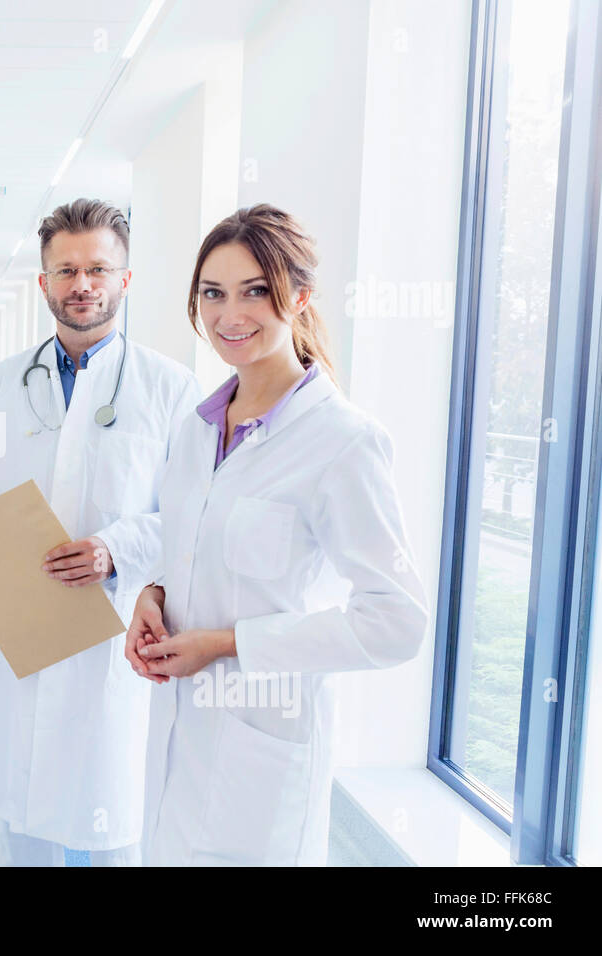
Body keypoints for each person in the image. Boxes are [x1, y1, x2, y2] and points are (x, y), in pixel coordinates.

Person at [126, 204, 429, 865]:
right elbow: (189, 546)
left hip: (261, 746)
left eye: (255, 290)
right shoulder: (197, 429)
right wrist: (151, 595)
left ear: (300, 296)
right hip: (180, 724)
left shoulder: (342, 442)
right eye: (213, 293)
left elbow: (397, 621)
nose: (230, 314)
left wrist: (229, 644)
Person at [0, 198, 200, 866]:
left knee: (116, 811)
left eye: (98, 269)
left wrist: (118, 548)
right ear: (44, 283)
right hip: (18, 621)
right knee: (22, 809)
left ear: (125, 280)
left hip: (115, 626)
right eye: (66, 270)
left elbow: (193, 512)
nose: (82, 283)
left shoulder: (172, 389)